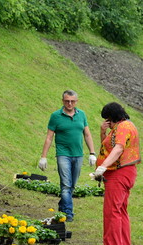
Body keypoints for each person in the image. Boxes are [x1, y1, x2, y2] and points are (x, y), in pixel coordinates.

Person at [38, 89, 96, 222]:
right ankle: (68, 213)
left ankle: (62, 206)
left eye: (72, 101)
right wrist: (43, 156)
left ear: (76, 101)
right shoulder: (56, 116)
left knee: (72, 185)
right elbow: (49, 137)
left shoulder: (82, 115)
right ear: (62, 101)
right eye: (67, 101)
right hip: (63, 154)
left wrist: (92, 153)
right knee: (65, 184)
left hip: (78, 155)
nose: (69, 103)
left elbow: (87, 134)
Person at [92, 102, 140, 245]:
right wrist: (102, 133)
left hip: (119, 174)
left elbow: (118, 149)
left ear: (111, 117)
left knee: (111, 212)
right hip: (124, 173)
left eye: (107, 119)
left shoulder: (123, 127)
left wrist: (103, 167)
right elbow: (107, 148)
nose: (107, 123)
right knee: (120, 210)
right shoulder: (123, 126)